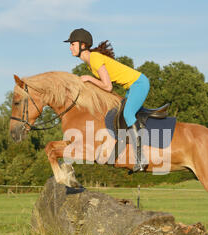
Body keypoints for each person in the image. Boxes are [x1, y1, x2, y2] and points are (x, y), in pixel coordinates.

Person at [64, 28, 149, 172]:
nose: (70, 47)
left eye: (73, 44)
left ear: (82, 45)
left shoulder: (94, 58)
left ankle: (142, 157)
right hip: (132, 87)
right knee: (117, 115)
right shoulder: (90, 62)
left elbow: (108, 87)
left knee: (128, 114)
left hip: (139, 84)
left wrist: (89, 78)